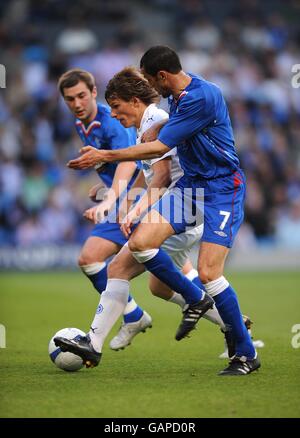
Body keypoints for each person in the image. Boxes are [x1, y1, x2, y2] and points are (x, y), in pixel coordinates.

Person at [57, 47, 261, 376]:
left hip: (222, 188)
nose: (151, 90)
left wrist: (106, 156)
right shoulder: (176, 99)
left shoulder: (200, 97)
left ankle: (245, 352)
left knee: (209, 273)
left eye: (152, 81)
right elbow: (163, 143)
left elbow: (162, 150)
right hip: (191, 187)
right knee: (135, 248)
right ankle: (94, 343)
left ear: (162, 77)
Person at [58, 68, 152, 335]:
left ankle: (235, 327)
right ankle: (236, 327)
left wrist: (108, 200)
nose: (76, 103)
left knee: (173, 278)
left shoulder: (110, 120)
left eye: (81, 96)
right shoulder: (82, 124)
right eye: (70, 99)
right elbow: (119, 162)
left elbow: (128, 160)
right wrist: (104, 185)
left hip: (135, 200)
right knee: (174, 278)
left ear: (93, 92)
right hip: (129, 196)